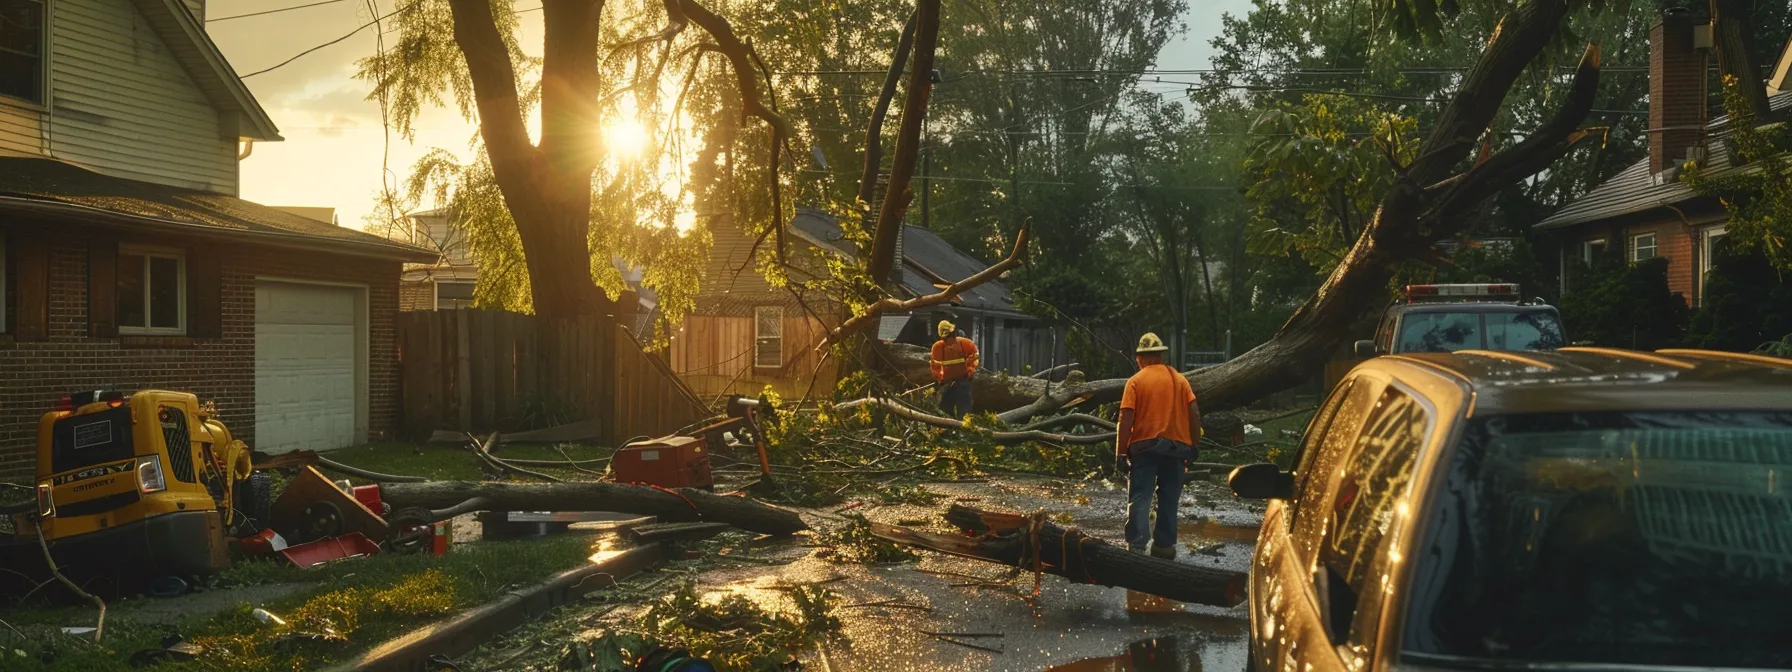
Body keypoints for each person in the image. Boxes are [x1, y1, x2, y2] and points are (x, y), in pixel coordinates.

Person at [1115, 332, 1201, 559]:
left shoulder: (1135, 382)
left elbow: (1126, 418)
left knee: (1141, 496)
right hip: (1177, 449)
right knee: (1169, 497)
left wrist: (1121, 453)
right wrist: (1194, 444)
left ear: (1140, 358)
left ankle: (1136, 546)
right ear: (1161, 356)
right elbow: (1194, 413)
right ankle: (1164, 547)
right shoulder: (1180, 380)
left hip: (1144, 448)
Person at [930, 320, 980, 419]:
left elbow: (975, 359)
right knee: (944, 407)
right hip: (947, 383)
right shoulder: (937, 348)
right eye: (944, 338)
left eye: (949, 337)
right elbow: (934, 367)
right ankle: (947, 428)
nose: (947, 341)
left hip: (963, 380)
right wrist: (940, 379)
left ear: (954, 335)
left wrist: (968, 371)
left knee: (964, 407)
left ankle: (965, 427)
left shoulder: (966, 344)